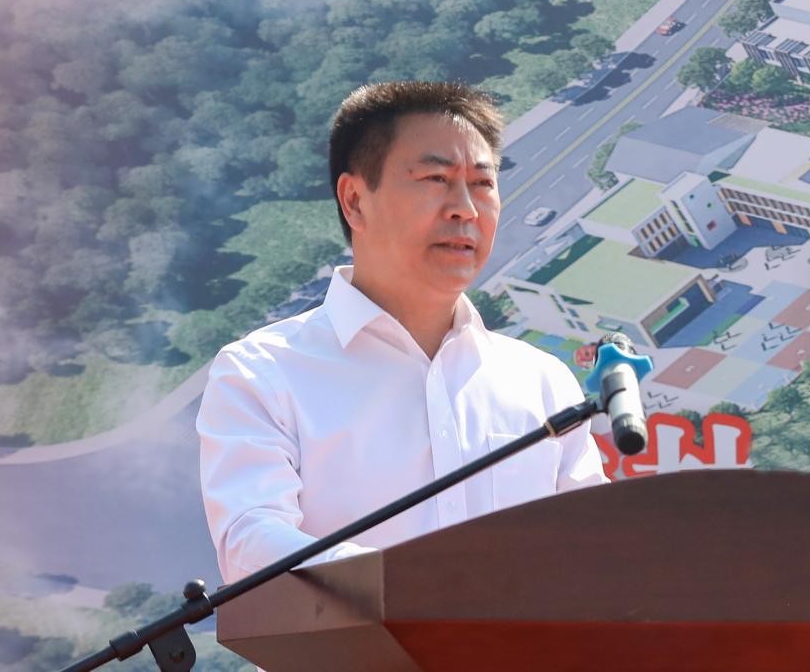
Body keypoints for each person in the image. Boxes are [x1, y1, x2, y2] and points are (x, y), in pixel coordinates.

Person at [198, 81, 608, 585]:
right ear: (354, 201)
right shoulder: (263, 373)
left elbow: (597, 551)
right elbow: (250, 542)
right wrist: (402, 585)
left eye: (482, 183)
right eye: (436, 178)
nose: (466, 209)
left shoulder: (541, 380)